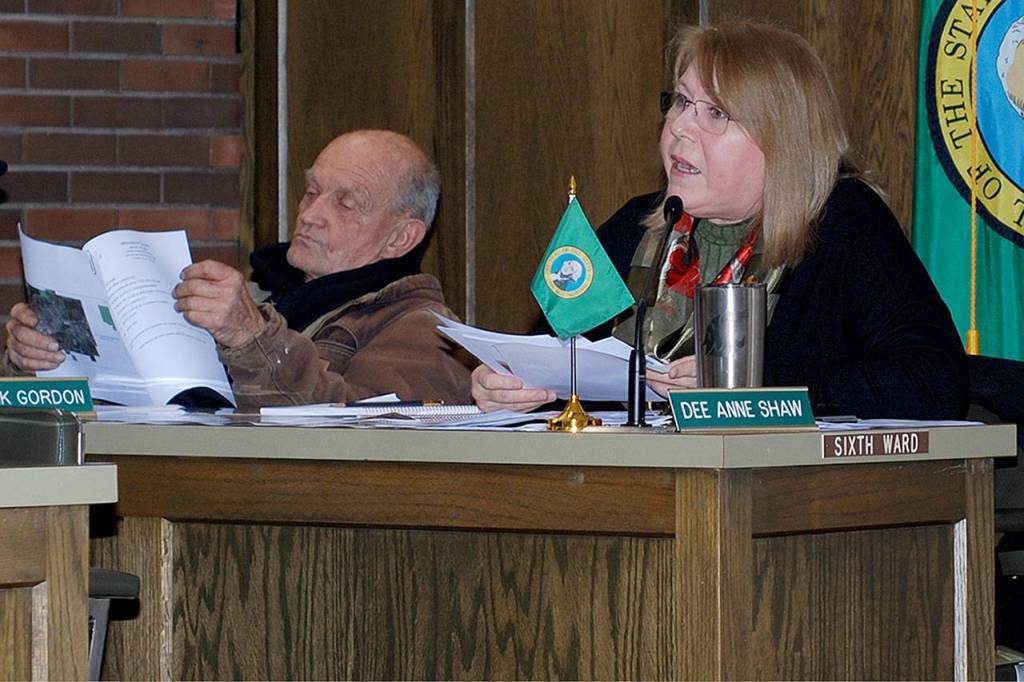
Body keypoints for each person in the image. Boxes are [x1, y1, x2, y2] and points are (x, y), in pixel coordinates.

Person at [472, 21, 968, 419]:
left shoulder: (842, 223)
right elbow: (556, 359)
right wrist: (510, 386)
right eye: (682, 102)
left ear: (782, 142)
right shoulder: (637, 226)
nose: (680, 127)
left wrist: (748, 382)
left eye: (716, 113)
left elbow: (932, 382)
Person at [3, 130, 472, 408]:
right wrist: (42, 362)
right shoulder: (258, 296)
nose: (310, 214)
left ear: (400, 237)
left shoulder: (430, 334)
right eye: (311, 192)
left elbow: (361, 434)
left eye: (345, 203)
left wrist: (253, 339)